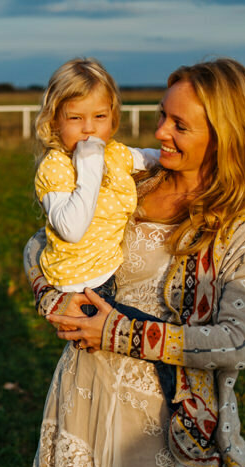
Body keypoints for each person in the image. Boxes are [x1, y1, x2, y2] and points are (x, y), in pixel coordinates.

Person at [20, 58, 245, 467]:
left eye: (180, 125)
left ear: (226, 135)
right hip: (81, 391)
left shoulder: (244, 225)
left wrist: (118, 332)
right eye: (163, 115)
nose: (160, 132)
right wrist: (51, 296)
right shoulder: (132, 182)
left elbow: (237, 341)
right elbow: (41, 244)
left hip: (160, 421)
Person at [33, 58, 160, 316]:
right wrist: (88, 167)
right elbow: (71, 229)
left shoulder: (113, 152)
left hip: (107, 275)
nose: (89, 128)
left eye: (100, 116)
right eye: (76, 117)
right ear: (56, 120)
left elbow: (148, 157)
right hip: (81, 288)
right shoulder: (56, 166)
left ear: (112, 117)